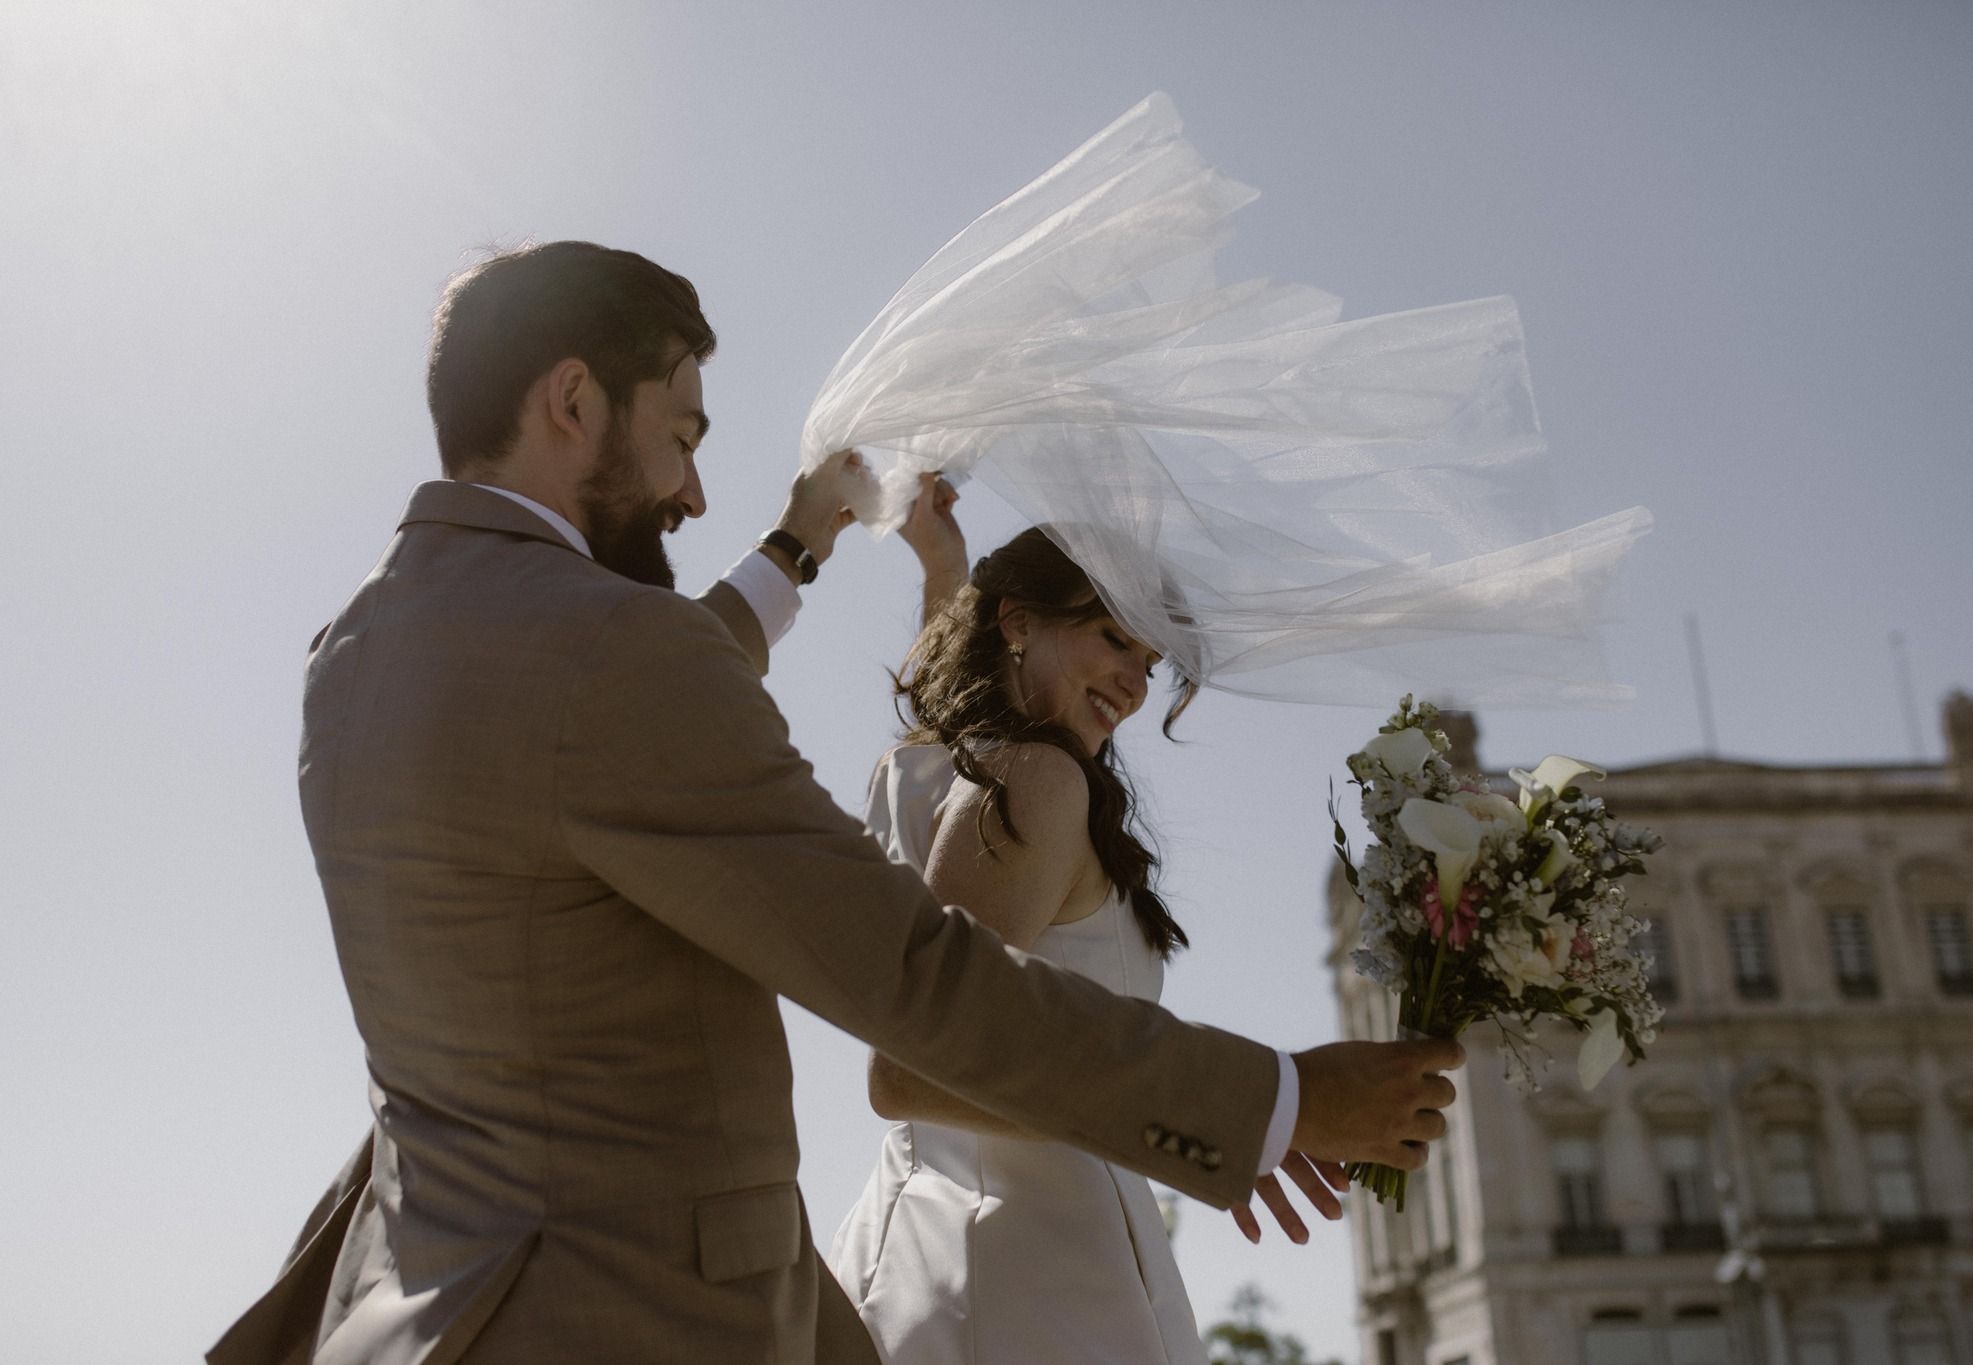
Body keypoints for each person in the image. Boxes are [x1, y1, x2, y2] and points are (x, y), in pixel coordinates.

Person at [207, 240, 1463, 1365]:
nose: (694, 493)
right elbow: (917, 980)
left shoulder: (360, 646)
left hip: (420, 1294)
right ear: (573, 400)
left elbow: (607, 710)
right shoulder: (614, 662)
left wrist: (800, 544)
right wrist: (1279, 1100)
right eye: (685, 437)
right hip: (630, 1313)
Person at [830, 480, 1345, 1364]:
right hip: (1032, 1283)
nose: (1136, 685)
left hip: (930, 1249)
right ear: (1018, 621)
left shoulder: (917, 770)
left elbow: (946, 694)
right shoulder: (1041, 779)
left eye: (1150, 661)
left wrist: (942, 566)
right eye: (1113, 639)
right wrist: (1238, 1114)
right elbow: (916, 1064)